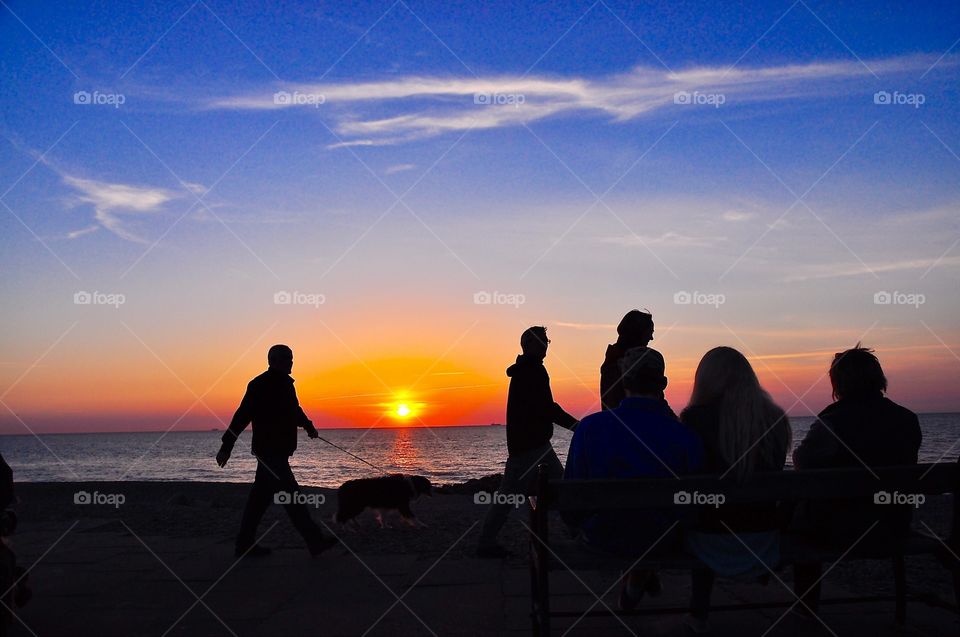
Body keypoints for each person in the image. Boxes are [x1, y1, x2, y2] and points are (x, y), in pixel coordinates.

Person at [565, 346, 703, 610]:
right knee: (650, 527)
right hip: (665, 541)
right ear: (663, 383)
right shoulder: (686, 437)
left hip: (603, 539)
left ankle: (639, 577)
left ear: (624, 381)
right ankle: (642, 575)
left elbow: (572, 506)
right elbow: (693, 505)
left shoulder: (590, 429)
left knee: (630, 525)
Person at [791, 344, 921, 613]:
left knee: (797, 517)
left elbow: (802, 463)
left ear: (837, 382)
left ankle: (807, 607)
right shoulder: (908, 420)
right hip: (893, 527)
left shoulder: (832, 422)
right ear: (878, 378)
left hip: (836, 530)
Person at [679, 346, 791, 632]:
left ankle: (698, 613)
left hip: (708, 541)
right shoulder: (776, 420)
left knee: (700, 510)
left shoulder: (694, 420)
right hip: (765, 539)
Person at [216, 344, 337, 558]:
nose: (292, 362)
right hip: (270, 454)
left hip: (277, 453)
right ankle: (314, 541)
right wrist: (227, 446)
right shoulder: (259, 385)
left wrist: (308, 426)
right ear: (276, 360)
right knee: (293, 499)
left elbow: (294, 410)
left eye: (292, 358)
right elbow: (242, 416)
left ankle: (244, 545)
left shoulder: (286, 385)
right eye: (288, 358)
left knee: (259, 502)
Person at [476, 326, 578, 558]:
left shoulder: (526, 370)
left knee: (556, 488)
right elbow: (548, 408)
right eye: (542, 342)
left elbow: (544, 408)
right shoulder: (533, 371)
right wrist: (577, 427)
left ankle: (577, 531)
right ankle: (485, 542)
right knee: (511, 495)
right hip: (529, 447)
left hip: (533, 445)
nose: (545, 347)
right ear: (528, 345)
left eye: (547, 342)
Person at [600, 310, 655, 411]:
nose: (651, 338)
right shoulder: (618, 365)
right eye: (649, 332)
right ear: (638, 333)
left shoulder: (615, 360)